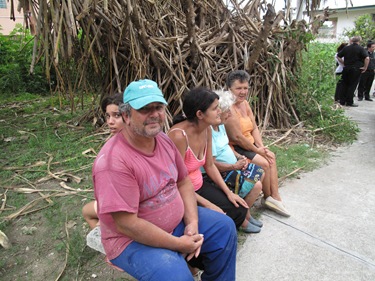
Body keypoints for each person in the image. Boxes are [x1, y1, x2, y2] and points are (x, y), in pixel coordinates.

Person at [93, 79, 237, 280]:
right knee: (175, 275)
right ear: (126, 115)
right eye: (144, 109)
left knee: (224, 228)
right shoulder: (113, 163)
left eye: (158, 107)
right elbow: (127, 224)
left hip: (176, 223)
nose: (154, 114)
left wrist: (192, 222)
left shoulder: (163, 140)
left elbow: (183, 181)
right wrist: (179, 244)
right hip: (130, 240)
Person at [168, 87, 261, 233]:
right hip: (183, 191)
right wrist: (208, 204)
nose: (220, 111)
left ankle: (236, 220)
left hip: (199, 184)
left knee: (238, 206)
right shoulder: (179, 137)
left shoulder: (207, 129)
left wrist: (229, 193)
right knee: (224, 215)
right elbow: (176, 182)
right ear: (200, 114)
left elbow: (210, 166)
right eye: (215, 108)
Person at [224, 70, 290, 217]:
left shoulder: (245, 104)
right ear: (230, 89)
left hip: (251, 145)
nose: (243, 92)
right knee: (265, 162)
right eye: (238, 88)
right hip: (237, 146)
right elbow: (238, 137)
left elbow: (254, 127)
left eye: (245, 88)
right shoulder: (228, 108)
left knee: (270, 155)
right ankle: (268, 198)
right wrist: (258, 151)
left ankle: (275, 196)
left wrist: (261, 147)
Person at [211, 90, 265, 230]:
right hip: (222, 172)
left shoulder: (221, 127)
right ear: (219, 112)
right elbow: (211, 164)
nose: (229, 114)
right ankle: (243, 217)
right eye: (226, 111)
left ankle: (245, 213)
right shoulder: (208, 133)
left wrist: (239, 156)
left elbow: (228, 148)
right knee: (256, 185)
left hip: (233, 165)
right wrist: (234, 166)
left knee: (260, 171)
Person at [82, 93, 125, 230]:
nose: (110, 121)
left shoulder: (114, 153)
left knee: (86, 212)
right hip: (118, 202)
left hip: (122, 208)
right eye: (108, 116)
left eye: (117, 115)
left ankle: (107, 246)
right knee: (87, 210)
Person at [336, 36, 369, 107]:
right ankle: (349, 101)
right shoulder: (360, 48)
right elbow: (367, 58)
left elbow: (338, 56)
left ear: (352, 41)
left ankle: (342, 101)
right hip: (356, 69)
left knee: (344, 84)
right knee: (352, 85)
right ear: (359, 41)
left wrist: (343, 63)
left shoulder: (346, 48)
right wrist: (365, 67)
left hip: (346, 68)